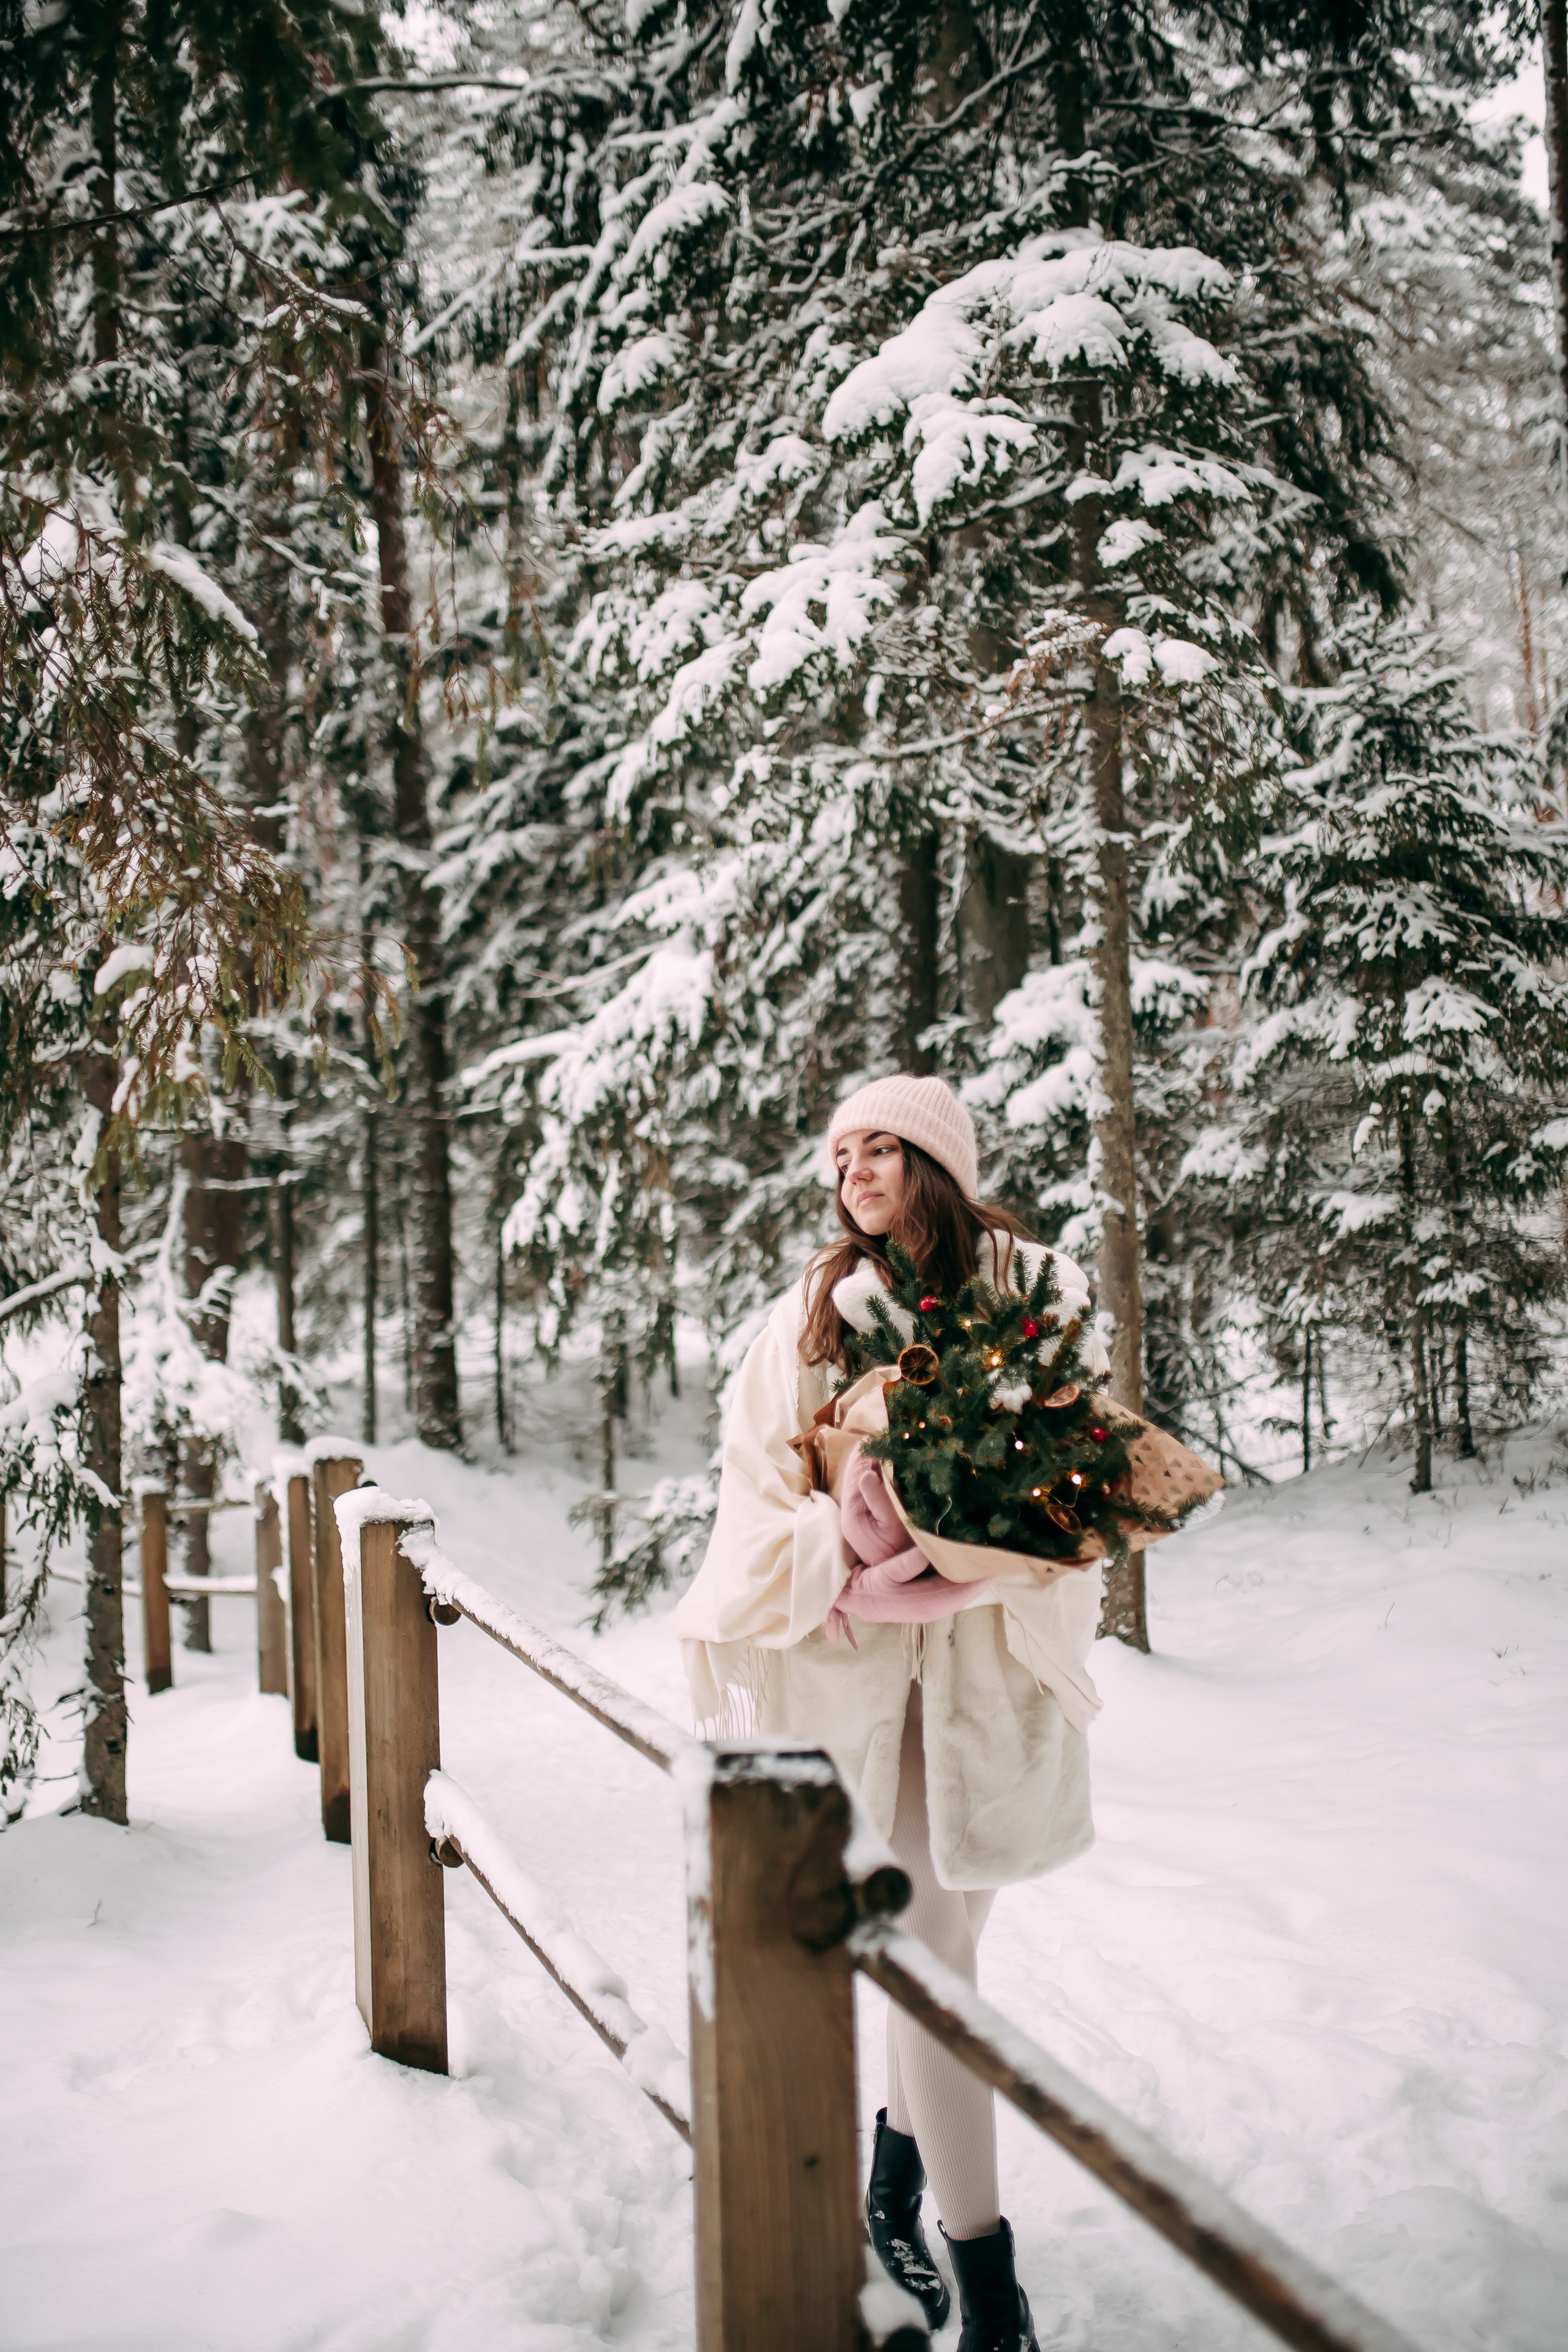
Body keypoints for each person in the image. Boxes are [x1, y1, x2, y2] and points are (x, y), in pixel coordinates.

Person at [674, 1074, 1109, 2352]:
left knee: (951, 1926)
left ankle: (892, 2186)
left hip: (993, 1667)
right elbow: (752, 1494)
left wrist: (963, 1557)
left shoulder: (1039, 1290)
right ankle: (989, 2293)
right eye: (841, 1151)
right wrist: (850, 1558)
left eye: (882, 1147)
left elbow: (1081, 1467)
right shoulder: (810, 1316)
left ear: (937, 1162)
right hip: (861, 1670)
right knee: (933, 1959)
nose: (855, 1169)